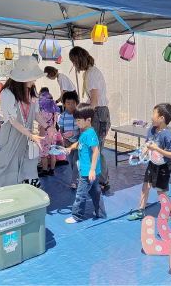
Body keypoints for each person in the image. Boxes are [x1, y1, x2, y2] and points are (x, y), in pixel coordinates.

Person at [0, 56, 45, 189]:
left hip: (26, 139)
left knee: (27, 168)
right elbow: (13, 120)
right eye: (32, 76)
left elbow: (36, 113)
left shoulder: (31, 91)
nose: (35, 79)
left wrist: (48, 126)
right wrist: (31, 135)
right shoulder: (7, 93)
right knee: (6, 171)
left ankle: (26, 199)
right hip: (10, 139)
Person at [70, 46, 112, 192]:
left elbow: (93, 101)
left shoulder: (93, 73)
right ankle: (99, 178)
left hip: (97, 114)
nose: (74, 66)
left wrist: (85, 118)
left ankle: (103, 181)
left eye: (74, 62)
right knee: (93, 147)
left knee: (96, 149)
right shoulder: (88, 73)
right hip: (95, 113)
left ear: (78, 60)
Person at [127, 103, 171, 221]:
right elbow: (148, 143)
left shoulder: (168, 135)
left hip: (164, 165)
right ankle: (140, 211)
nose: (151, 116)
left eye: (154, 113)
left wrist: (157, 149)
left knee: (160, 191)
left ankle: (168, 211)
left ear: (161, 119)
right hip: (153, 162)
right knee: (146, 186)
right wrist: (144, 150)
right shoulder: (151, 129)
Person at [64, 103, 105, 223]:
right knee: (95, 191)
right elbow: (79, 143)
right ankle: (100, 212)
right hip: (91, 171)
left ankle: (76, 216)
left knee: (80, 194)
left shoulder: (90, 134)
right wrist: (71, 147)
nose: (77, 123)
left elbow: (96, 151)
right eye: (75, 120)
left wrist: (91, 169)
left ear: (88, 120)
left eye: (78, 120)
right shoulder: (84, 132)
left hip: (88, 172)